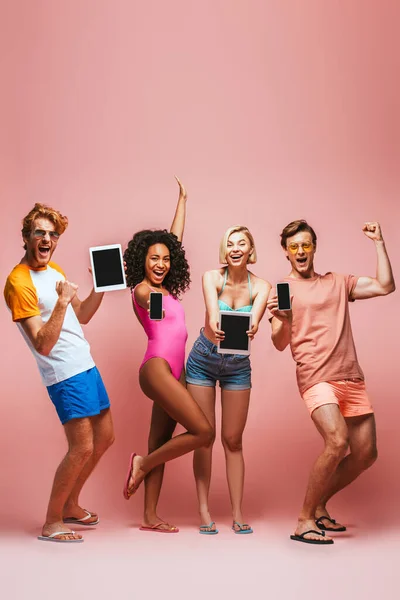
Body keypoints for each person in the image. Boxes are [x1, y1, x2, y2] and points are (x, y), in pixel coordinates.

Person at [267, 220, 395, 545]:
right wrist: (284, 320)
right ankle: (304, 519)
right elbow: (279, 342)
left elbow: (385, 285)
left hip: (350, 374)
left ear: (314, 247)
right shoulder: (282, 289)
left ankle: (321, 504)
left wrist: (379, 242)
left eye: (306, 244)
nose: (300, 251)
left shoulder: (338, 282)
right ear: (285, 251)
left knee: (366, 453)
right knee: (337, 441)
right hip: (315, 376)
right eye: (294, 246)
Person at [4, 204, 115, 543]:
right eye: (40, 232)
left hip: (85, 363)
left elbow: (81, 315)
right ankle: (52, 521)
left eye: (52, 234)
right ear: (26, 237)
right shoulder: (18, 282)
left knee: (105, 437)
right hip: (65, 373)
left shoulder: (53, 269)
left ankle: (70, 505)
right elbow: (42, 344)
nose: (47, 239)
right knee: (81, 448)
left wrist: (100, 286)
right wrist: (64, 302)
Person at [123, 178, 213, 533]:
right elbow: (150, 302)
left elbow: (174, 242)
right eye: (153, 258)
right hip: (156, 368)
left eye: (164, 259)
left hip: (175, 373)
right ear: (141, 262)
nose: (160, 263)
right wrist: (154, 301)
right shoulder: (144, 290)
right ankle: (142, 463)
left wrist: (184, 199)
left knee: (159, 440)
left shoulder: (165, 285)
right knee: (203, 431)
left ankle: (149, 515)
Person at [185, 225, 271, 534]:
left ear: (251, 250)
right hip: (203, 359)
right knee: (204, 437)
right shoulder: (212, 277)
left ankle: (237, 513)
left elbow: (256, 318)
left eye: (242, 243)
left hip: (237, 365)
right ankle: (204, 510)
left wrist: (255, 327)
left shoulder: (262, 286)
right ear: (225, 249)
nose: (235, 248)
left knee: (233, 440)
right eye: (230, 243)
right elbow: (211, 314)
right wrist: (214, 322)